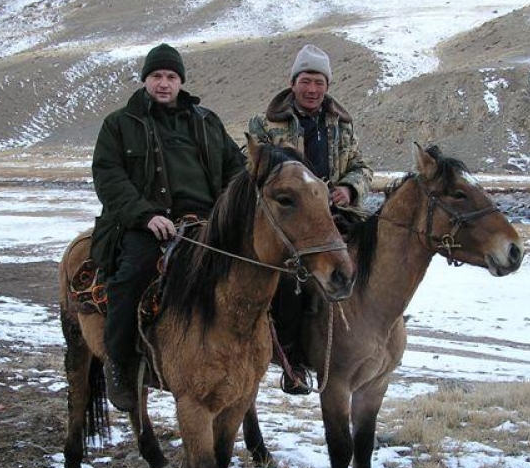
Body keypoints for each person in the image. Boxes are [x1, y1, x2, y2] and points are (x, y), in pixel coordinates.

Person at [90, 43, 245, 411]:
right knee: (132, 275)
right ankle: (120, 364)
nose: (164, 83)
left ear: (181, 82)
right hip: (150, 225)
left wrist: (226, 215)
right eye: (157, 76)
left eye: (171, 77)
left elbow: (236, 170)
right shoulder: (120, 124)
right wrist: (146, 215)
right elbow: (109, 177)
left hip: (207, 225)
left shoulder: (207, 121)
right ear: (145, 79)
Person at [248, 44, 373, 395]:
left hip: (337, 212)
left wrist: (349, 188)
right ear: (292, 83)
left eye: (319, 82)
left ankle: (370, 336)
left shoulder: (342, 126)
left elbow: (362, 167)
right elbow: (250, 171)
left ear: (327, 86)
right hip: (290, 219)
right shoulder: (265, 124)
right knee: (290, 279)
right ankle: (293, 361)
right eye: (305, 81)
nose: (312, 89)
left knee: (376, 253)